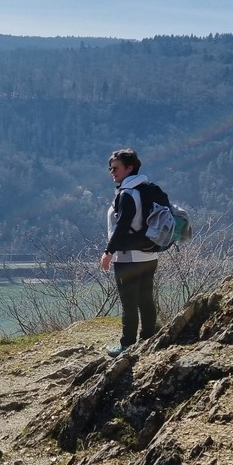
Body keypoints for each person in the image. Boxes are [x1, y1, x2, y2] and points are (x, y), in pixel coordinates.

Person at [99, 148, 159, 357]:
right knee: (146, 299)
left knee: (129, 303)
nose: (111, 171)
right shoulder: (146, 189)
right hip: (150, 255)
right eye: (110, 168)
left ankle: (127, 345)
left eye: (115, 167)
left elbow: (122, 226)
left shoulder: (127, 194)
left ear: (129, 167)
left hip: (128, 258)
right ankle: (150, 339)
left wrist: (108, 252)